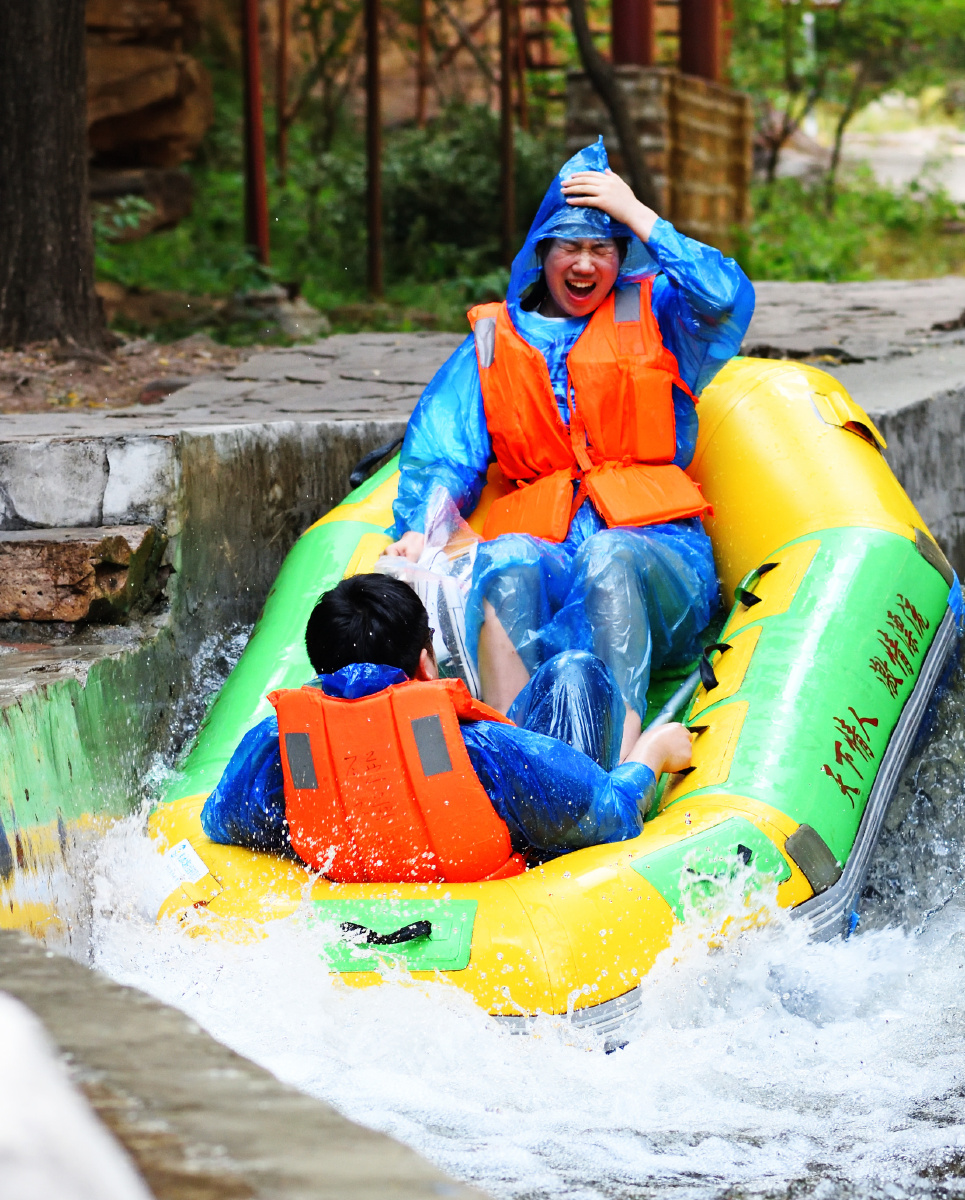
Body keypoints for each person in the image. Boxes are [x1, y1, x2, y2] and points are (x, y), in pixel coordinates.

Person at [384, 138, 754, 760]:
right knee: (505, 560)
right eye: (570, 247)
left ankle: (619, 766)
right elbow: (444, 452)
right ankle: (516, 761)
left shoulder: (661, 315)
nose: (585, 264)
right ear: (542, 253)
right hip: (554, 557)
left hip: (658, 559)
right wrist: (422, 529)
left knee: (609, 556)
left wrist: (638, 213)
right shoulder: (494, 343)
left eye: (601, 248)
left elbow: (725, 299)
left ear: (622, 255)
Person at [201, 574, 693, 876]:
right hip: (518, 899)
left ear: (319, 675)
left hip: (350, 886)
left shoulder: (279, 746)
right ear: (425, 663)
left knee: (567, 675)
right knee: (576, 672)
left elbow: (219, 821)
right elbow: (612, 816)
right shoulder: (483, 750)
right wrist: (652, 752)